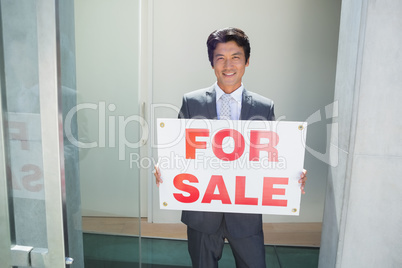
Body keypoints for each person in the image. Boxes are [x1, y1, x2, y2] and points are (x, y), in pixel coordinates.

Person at [154, 27, 307, 268]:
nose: (228, 65)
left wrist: (292, 175)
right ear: (212, 63)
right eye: (220, 58)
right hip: (202, 214)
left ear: (247, 61)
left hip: (245, 216)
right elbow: (178, 150)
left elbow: (269, 157)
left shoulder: (263, 107)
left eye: (235, 57)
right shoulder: (191, 102)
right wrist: (164, 167)